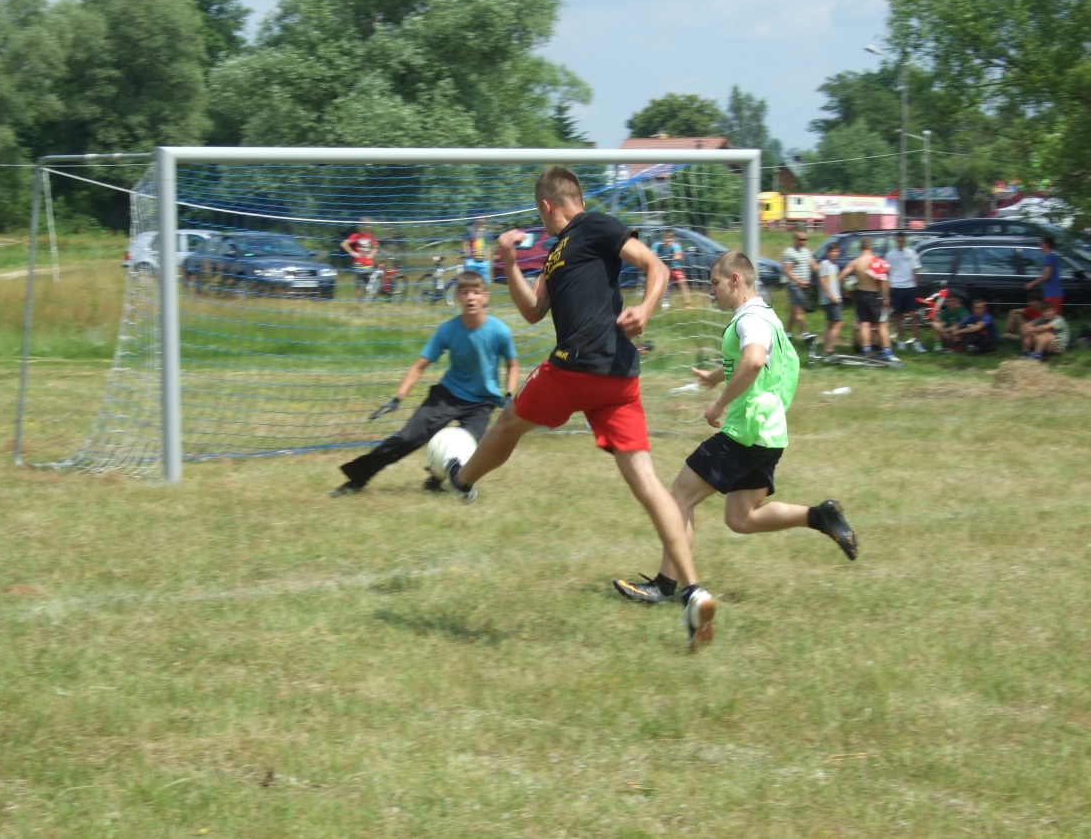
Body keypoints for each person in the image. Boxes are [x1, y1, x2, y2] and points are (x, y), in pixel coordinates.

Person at [444, 166, 713, 651]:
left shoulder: (595, 225)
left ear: (548, 206)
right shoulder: (556, 253)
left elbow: (655, 266)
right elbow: (532, 310)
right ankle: (694, 591)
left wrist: (646, 309)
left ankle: (462, 480)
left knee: (508, 422)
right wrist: (508, 260)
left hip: (578, 366)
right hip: (617, 379)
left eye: (540, 213)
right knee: (647, 482)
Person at [614, 252, 857, 641]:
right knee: (740, 518)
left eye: (714, 283)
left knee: (677, 498)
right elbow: (754, 360)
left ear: (735, 280)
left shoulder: (749, 319)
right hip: (770, 434)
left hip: (745, 431)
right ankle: (819, 516)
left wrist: (719, 404)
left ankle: (665, 584)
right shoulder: (768, 316)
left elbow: (754, 361)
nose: (711, 291)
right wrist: (716, 376)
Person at [331, 270, 518, 496]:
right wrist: (397, 398)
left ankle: (435, 479)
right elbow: (419, 366)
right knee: (405, 439)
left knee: (465, 448)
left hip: (481, 403)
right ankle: (357, 479)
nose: (470, 297)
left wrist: (509, 394)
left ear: (485, 297)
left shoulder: (500, 331)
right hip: (447, 396)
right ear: (458, 297)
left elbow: (512, 365)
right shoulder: (447, 330)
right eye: (465, 292)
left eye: (476, 292)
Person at [838, 237, 899, 363]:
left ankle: (867, 351)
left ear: (860, 248)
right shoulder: (877, 261)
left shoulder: (856, 262)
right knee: (882, 325)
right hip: (874, 295)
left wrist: (846, 289)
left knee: (864, 324)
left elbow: (841, 276)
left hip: (860, 294)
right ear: (871, 247)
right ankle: (888, 353)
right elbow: (884, 281)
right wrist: (886, 297)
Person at [885, 232, 927, 352]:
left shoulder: (911, 253)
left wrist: (915, 286)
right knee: (898, 316)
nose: (900, 243)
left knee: (914, 315)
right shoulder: (890, 255)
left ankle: (917, 342)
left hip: (910, 287)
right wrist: (888, 288)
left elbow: (915, 270)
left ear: (905, 241)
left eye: (902, 241)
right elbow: (887, 272)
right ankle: (900, 341)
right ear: (895, 241)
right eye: (898, 241)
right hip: (896, 287)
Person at [781, 230, 817, 341]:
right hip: (795, 286)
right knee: (799, 310)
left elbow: (813, 265)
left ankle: (787, 333)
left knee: (794, 309)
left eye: (805, 239)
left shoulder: (806, 251)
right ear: (795, 239)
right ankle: (804, 333)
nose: (803, 241)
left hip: (805, 285)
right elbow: (787, 270)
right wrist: (798, 281)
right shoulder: (789, 252)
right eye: (801, 239)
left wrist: (822, 272)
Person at [652, 228, 695, 309]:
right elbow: (653, 254)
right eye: (666, 237)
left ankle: (688, 303)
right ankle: (659, 302)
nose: (668, 239)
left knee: (682, 281)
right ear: (663, 237)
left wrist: (675, 256)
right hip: (662, 268)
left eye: (671, 237)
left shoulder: (675, 246)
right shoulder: (657, 245)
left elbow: (678, 255)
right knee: (662, 283)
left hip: (674, 268)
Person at [340, 219, 379, 302]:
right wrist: (353, 253)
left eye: (369, 224)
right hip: (358, 263)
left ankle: (374, 300)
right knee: (359, 283)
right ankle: (360, 302)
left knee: (370, 282)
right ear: (361, 226)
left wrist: (372, 254)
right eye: (365, 224)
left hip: (369, 263)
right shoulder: (356, 236)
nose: (367, 226)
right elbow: (344, 244)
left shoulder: (372, 237)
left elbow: (376, 246)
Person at [817, 242, 844, 357]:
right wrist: (831, 296)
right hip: (831, 299)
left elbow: (835, 282)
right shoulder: (825, 264)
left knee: (830, 324)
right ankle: (829, 349)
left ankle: (826, 349)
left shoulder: (835, 266)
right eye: (832, 251)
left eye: (836, 251)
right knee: (838, 323)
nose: (835, 253)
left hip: (836, 297)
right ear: (828, 253)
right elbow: (823, 280)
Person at [1025, 236, 1063, 314]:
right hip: (1054, 292)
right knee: (1049, 316)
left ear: (1047, 244)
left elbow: (1046, 275)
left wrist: (1032, 283)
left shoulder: (1049, 257)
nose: (1040, 247)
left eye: (1041, 244)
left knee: (1051, 316)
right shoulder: (1054, 256)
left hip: (1052, 293)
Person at [463, 216, 491, 282]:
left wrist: (488, 260)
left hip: (484, 262)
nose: (481, 219)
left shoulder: (488, 231)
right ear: (476, 218)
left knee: (485, 282)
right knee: (469, 281)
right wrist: (467, 256)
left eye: (483, 217)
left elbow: (488, 246)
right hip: (471, 260)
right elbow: (466, 243)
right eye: (479, 217)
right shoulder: (469, 229)